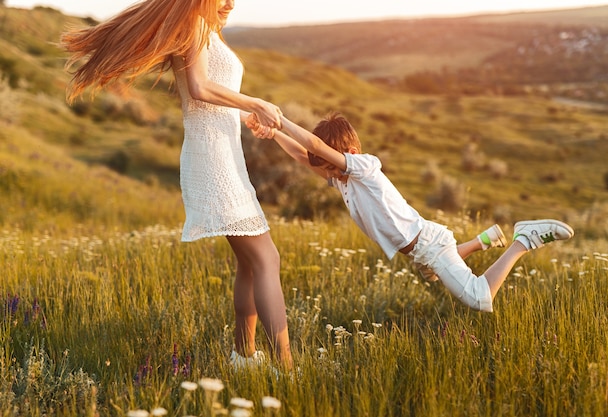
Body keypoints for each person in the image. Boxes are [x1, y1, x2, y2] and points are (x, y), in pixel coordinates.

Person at [60, 0, 293, 369]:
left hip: (223, 154)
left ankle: (243, 355)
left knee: (250, 264)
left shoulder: (204, 31)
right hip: (214, 159)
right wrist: (256, 102)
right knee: (267, 259)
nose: (230, 3)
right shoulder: (194, 27)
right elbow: (199, 88)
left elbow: (208, 93)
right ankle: (286, 370)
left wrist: (247, 114)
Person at [246, 112, 574, 312]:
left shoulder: (365, 168)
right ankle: (481, 241)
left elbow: (316, 149)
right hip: (420, 251)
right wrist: (274, 134)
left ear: (350, 153)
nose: (328, 174)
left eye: (332, 167)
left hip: (428, 244)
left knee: (479, 297)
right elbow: (307, 157)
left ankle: (524, 239)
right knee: (432, 272)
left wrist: (281, 119)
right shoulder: (343, 181)